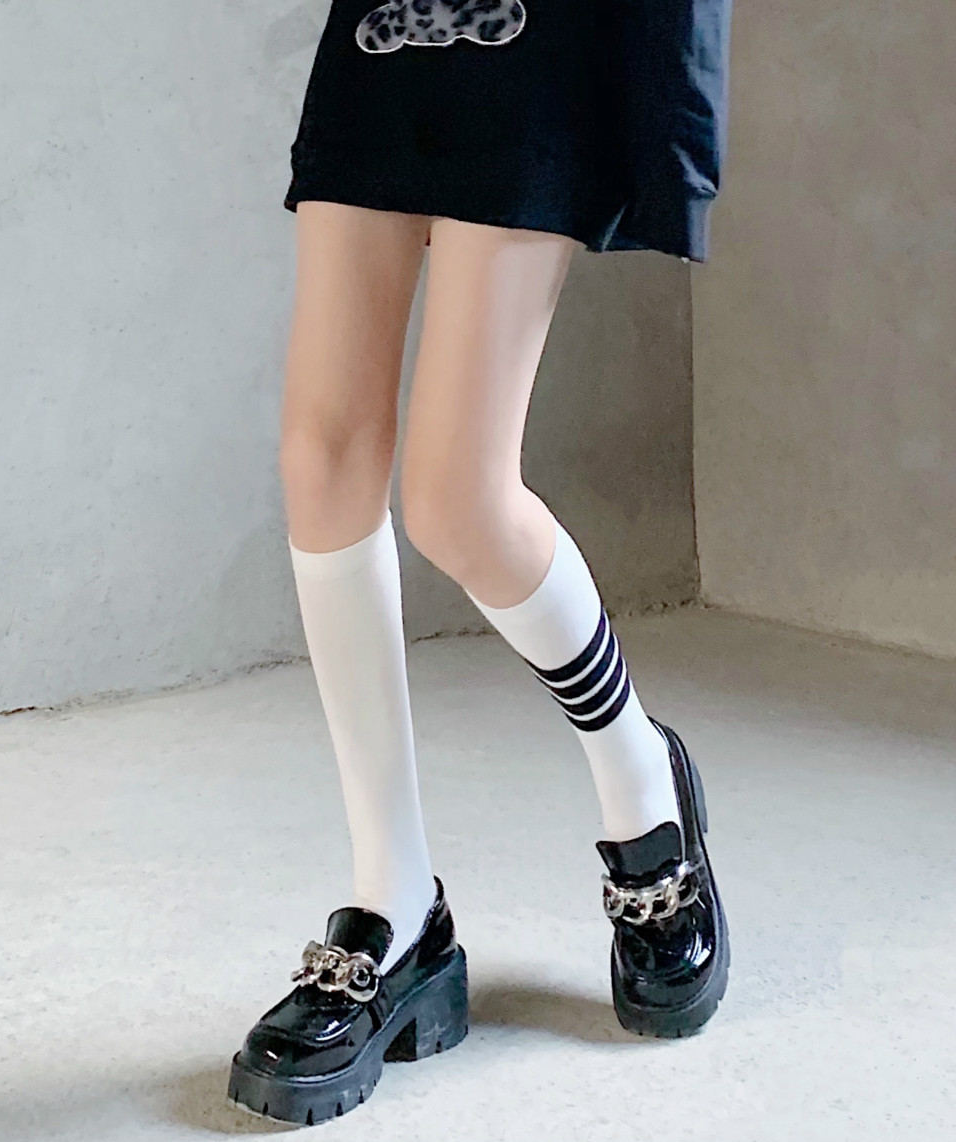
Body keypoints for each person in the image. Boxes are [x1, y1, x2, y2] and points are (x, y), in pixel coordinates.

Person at [228, 0, 732, 1125]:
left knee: (458, 499)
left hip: (549, 38)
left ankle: (641, 780)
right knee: (322, 457)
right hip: (388, 31)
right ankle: (394, 903)